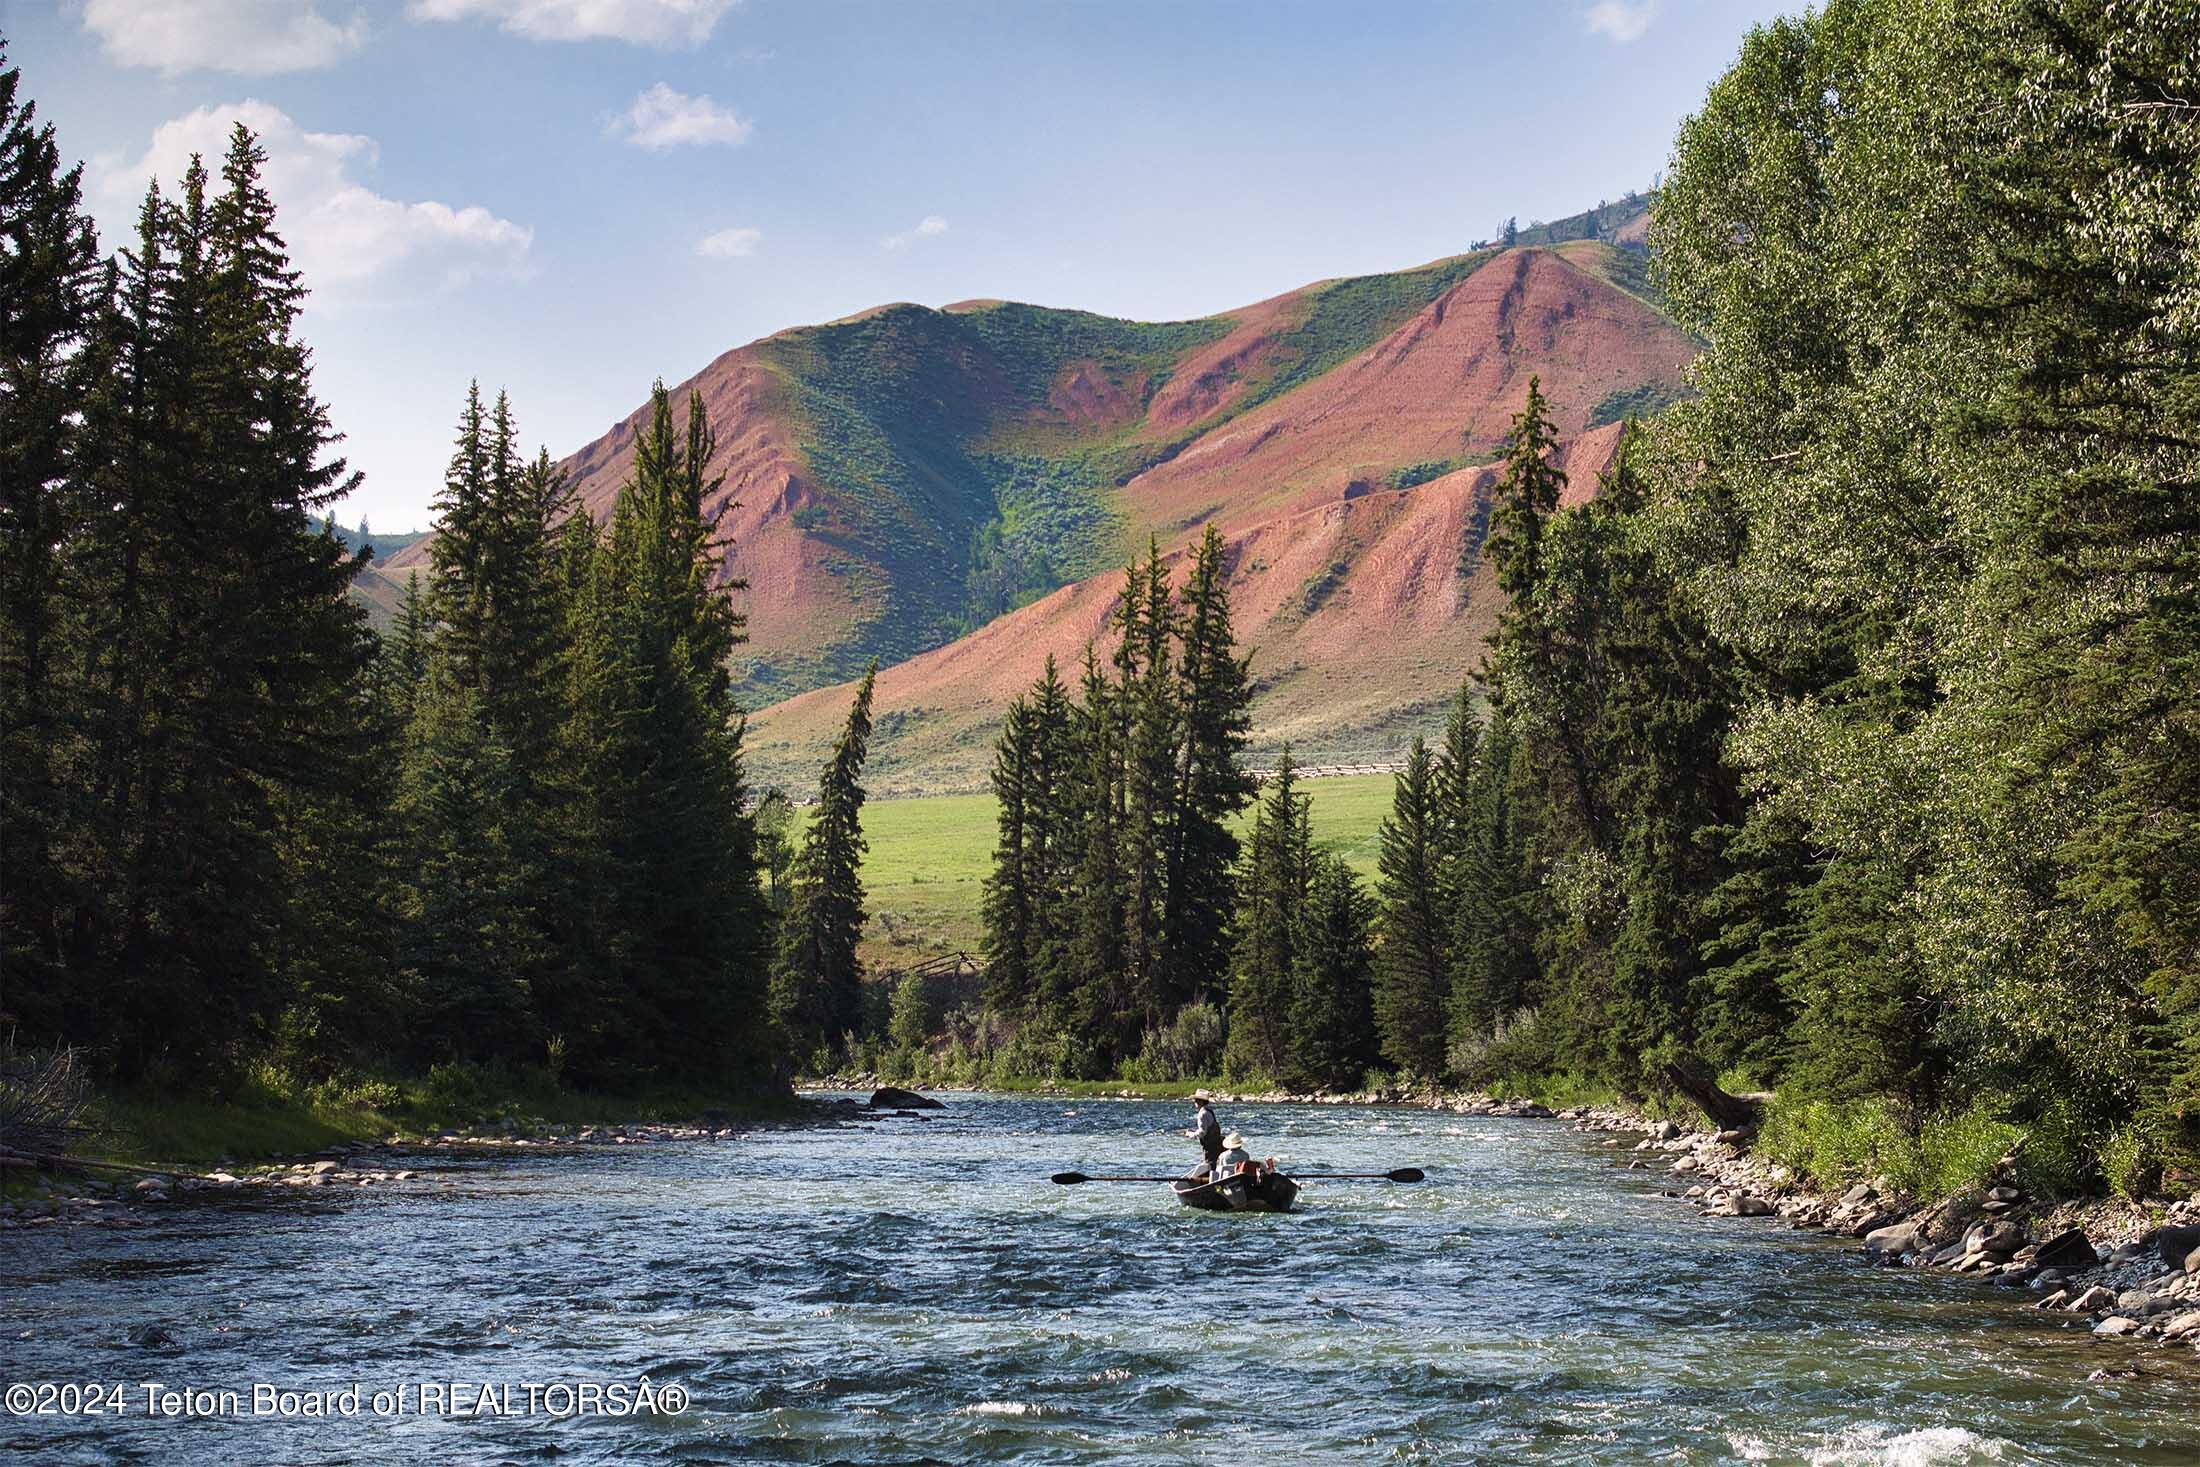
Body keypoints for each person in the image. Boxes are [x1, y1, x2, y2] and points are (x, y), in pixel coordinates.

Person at [1189, 1094, 1223, 1178]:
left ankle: (1211, 1183)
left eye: (1196, 1100)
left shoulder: (1202, 1114)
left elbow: (1202, 1132)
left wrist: (1191, 1134)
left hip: (1209, 1145)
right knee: (1214, 1164)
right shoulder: (1209, 1111)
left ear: (1200, 1101)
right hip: (1217, 1142)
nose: (1194, 1102)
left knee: (1209, 1164)